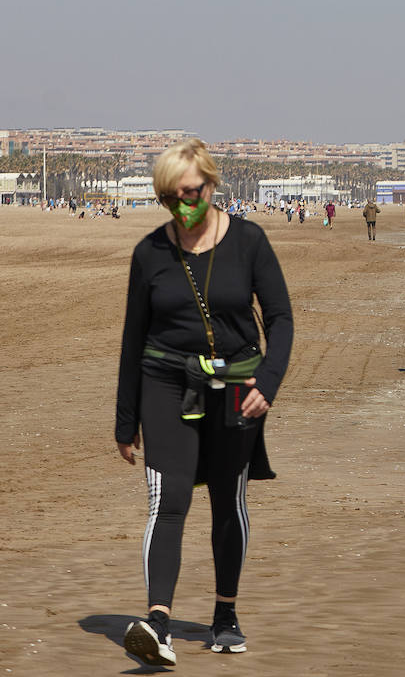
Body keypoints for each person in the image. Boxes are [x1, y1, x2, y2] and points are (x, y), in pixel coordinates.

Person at [115, 138, 293, 665]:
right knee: (168, 503)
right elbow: (133, 337)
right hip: (165, 384)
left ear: (212, 186)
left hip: (237, 388)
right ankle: (159, 623)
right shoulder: (150, 253)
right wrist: (126, 423)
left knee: (225, 502)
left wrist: (268, 383)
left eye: (191, 193)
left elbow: (280, 318)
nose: (183, 206)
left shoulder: (250, 242)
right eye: (171, 198)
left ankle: (224, 614)